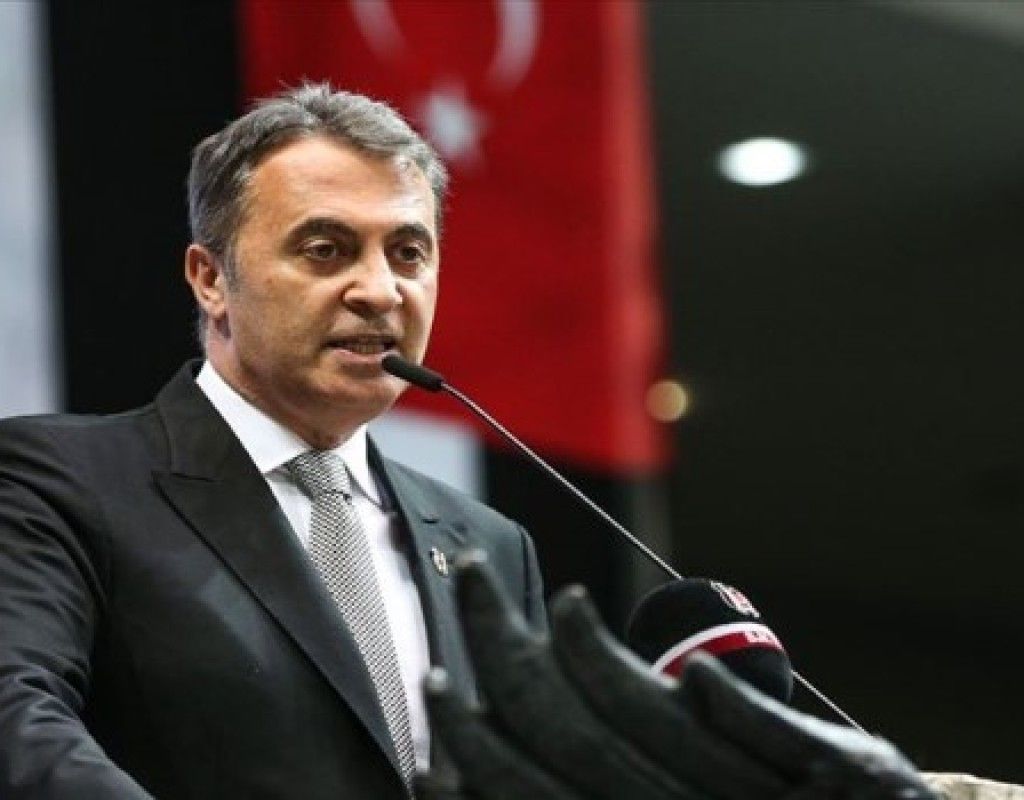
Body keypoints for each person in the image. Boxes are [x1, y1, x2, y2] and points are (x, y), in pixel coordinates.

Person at [0, 83, 545, 800]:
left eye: (408, 252)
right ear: (210, 279)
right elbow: (19, 722)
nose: (380, 290)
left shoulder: (491, 547)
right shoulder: (59, 482)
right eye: (326, 250)